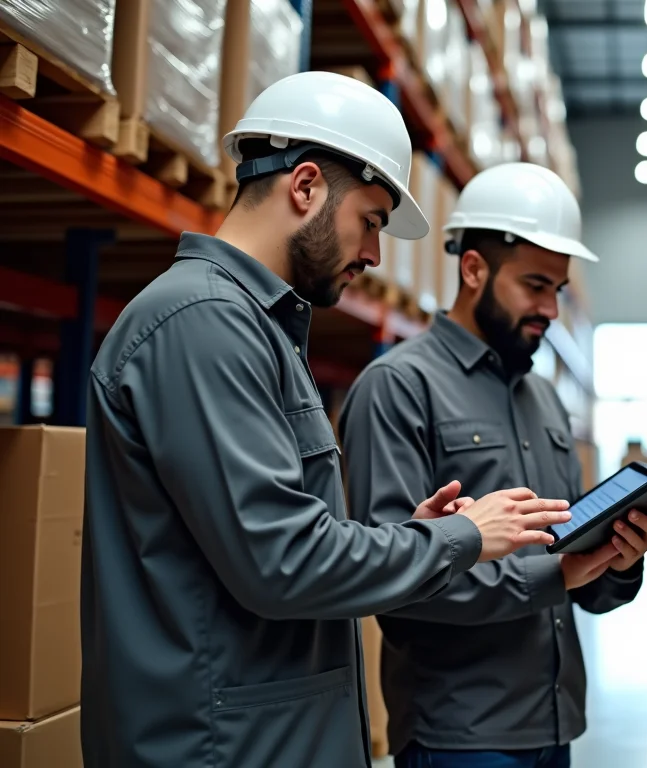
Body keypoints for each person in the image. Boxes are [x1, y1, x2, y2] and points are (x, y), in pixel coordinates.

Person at [80, 72, 572, 768]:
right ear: (305, 187)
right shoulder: (203, 323)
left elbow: (288, 537)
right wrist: (463, 535)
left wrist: (415, 537)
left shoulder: (255, 328)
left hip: (271, 737)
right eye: (370, 221)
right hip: (221, 747)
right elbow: (282, 561)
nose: (374, 254)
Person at [339, 162, 647, 768]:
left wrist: (619, 558)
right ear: (473, 270)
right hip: (459, 734)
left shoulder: (542, 397)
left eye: (558, 291)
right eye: (535, 285)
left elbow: (574, 564)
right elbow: (391, 577)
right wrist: (557, 575)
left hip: (554, 722)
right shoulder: (397, 387)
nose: (550, 308)